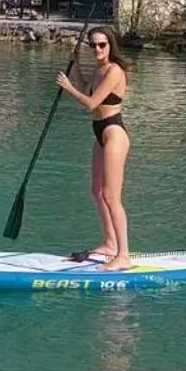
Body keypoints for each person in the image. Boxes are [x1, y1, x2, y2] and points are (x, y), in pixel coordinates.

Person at [57, 26, 132, 271]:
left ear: (110, 46)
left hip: (114, 133)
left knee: (111, 196)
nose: (98, 49)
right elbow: (87, 88)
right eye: (93, 45)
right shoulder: (99, 71)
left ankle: (123, 255)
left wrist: (68, 87)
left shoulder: (114, 71)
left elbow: (90, 103)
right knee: (96, 192)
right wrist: (76, 65)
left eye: (102, 45)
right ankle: (110, 243)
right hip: (99, 133)